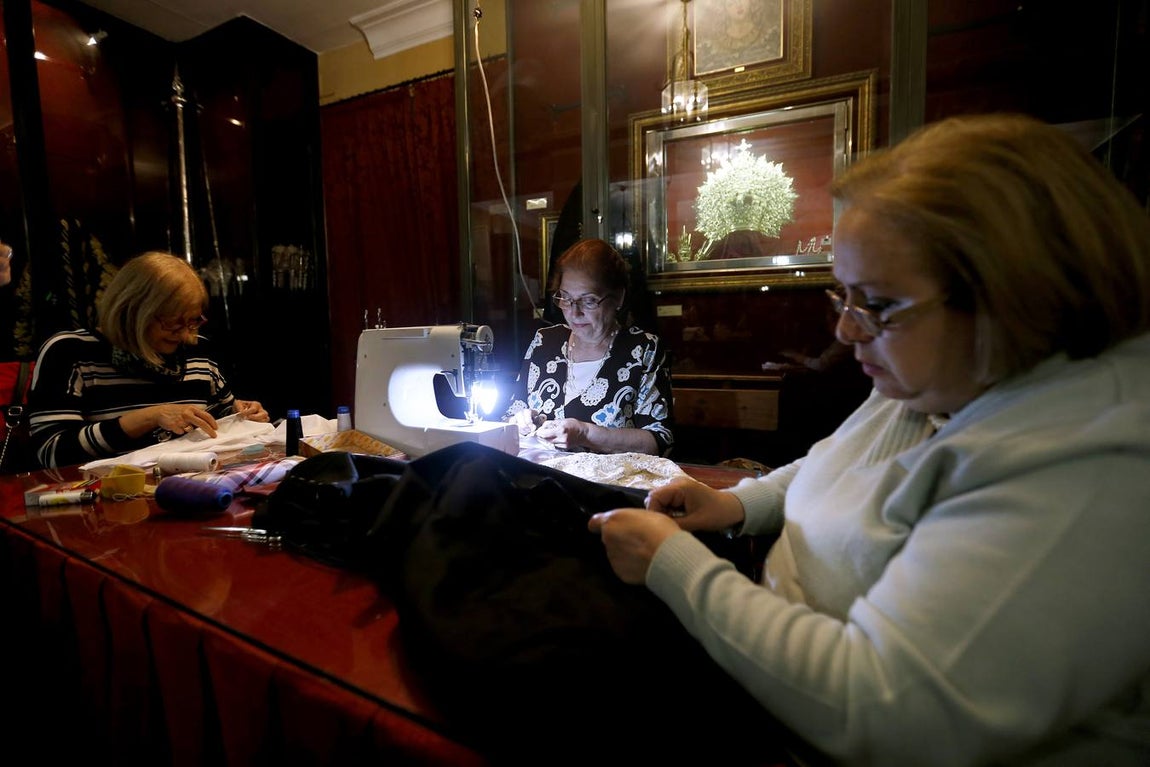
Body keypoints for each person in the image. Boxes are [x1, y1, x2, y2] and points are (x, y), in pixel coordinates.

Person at [587, 114, 1150, 765]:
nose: (848, 331)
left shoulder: (1096, 461)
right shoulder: (945, 371)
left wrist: (674, 567)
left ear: (1017, 289)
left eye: (876, 304)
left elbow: (882, 708)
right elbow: (834, 461)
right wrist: (742, 502)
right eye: (842, 296)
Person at [27, 251, 269, 468]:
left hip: (193, 490)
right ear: (133, 311)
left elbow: (219, 415)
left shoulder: (197, 351)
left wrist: (242, 414)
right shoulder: (70, 352)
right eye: (174, 323)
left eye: (193, 321)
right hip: (104, 504)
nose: (188, 335)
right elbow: (51, 453)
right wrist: (150, 417)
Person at [504, 238, 674, 455]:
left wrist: (585, 434)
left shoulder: (643, 349)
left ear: (618, 297)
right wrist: (519, 420)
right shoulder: (545, 341)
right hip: (539, 477)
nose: (574, 313)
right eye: (565, 298)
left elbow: (659, 440)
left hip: (603, 485)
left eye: (589, 301)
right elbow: (509, 415)